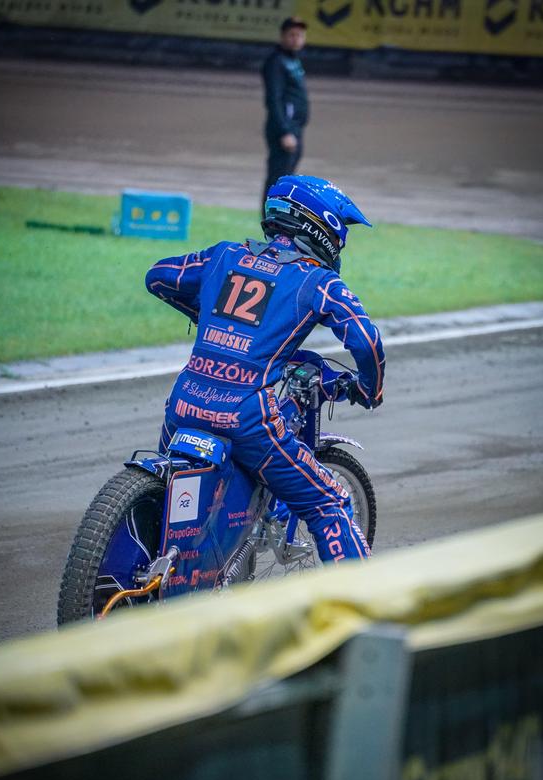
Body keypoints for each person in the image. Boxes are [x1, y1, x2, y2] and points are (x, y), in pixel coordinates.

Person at [145, 175, 385, 564]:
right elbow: (366, 340)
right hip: (245, 418)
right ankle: (356, 611)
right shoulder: (319, 280)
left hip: (183, 405)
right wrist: (371, 391)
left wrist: (211, 319)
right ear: (323, 227)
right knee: (330, 503)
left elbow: (158, 276)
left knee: (165, 494)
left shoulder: (223, 256)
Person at [260, 17, 309, 218]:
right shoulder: (276, 61)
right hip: (284, 130)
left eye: (299, 35)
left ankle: (281, 216)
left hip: (295, 128)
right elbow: (274, 99)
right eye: (292, 34)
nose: (296, 39)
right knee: (278, 178)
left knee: (288, 177)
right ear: (282, 36)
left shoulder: (293, 60)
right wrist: (285, 131)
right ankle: (270, 218)